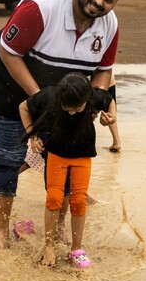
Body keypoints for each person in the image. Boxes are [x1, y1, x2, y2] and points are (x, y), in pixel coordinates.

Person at [0, 0, 126, 249]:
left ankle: (59, 227)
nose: (99, 2)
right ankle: (0, 230)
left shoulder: (109, 25)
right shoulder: (42, 7)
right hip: (9, 85)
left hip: (62, 96)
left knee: (65, 158)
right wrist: (41, 100)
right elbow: (8, 53)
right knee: (7, 156)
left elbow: (103, 70)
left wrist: (92, 105)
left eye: (109, 0)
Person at [20, 72, 112, 268]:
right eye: (66, 108)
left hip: (82, 156)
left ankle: (77, 250)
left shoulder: (93, 97)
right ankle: (49, 246)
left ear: (86, 99)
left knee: (78, 200)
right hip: (57, 155)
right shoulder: (50, 95)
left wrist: (111, 118)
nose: (71, 113)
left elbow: (110, 100)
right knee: (54, 197)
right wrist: (32, 136)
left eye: (77, 108)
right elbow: (23, 107)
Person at [106, 72, 122, 152]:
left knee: (87, 111)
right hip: (108, 78)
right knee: (110, 110)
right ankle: (116, 141)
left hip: (91, 80)